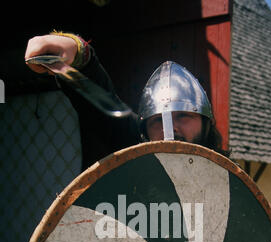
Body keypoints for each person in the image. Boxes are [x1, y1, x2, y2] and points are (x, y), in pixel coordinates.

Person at [25, 32, 223, 168]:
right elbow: (102, 110)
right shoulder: (135, 145)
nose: (170, 128)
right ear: (143, 130)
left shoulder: (232, 186)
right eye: (157, 120)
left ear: (207, 124)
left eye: (182, 115)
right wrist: (79, 56)